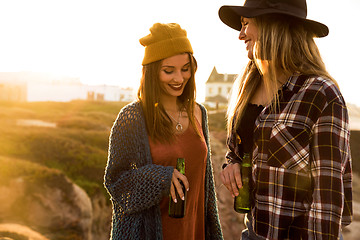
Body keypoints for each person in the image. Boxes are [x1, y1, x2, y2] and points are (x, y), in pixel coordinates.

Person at [218, 0, 353, 239]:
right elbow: (239, 151)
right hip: (254, 232)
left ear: (273, 26)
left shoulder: (321, 94)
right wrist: (231, 165)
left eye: (246, 24)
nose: (240, 35)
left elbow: (327, 203)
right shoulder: (247, 88)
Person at [104, 23, 223, 240]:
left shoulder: (199, 113)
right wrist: (159, 178)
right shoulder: (132, 118)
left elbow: (205, 189)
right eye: (169, 71)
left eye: (185, 69)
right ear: (152, 72)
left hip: (194, 232)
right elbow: (116, 182)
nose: (179, 78)